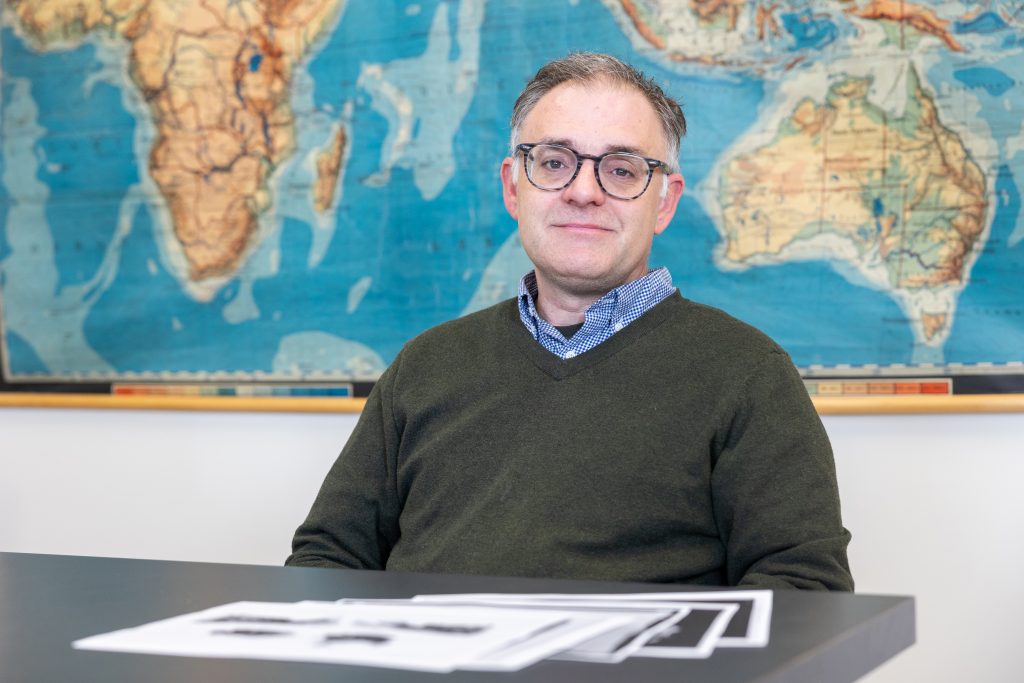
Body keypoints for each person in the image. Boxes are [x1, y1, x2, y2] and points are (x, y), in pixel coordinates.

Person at [287, 52, 853, 591]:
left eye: (622, 169)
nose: (584, 192)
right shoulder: (424, 365)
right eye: (554, 163)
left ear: (664, 202)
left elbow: (804, 589)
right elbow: (329, 556)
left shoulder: (748, 374)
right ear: (514, 186)